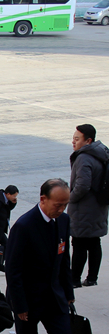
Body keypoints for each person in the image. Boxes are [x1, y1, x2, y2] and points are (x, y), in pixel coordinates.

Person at [5, 179, 74, 334]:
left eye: (65, 205)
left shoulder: (63, 221)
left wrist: (68, 294)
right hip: (27, 297)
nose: (62, 210)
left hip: (54, 294)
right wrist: (20, 305)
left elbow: (64, 258)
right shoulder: (24, 226)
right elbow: (12, 270)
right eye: (58, 204)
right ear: (43, 199)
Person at [68, 123, 108, 287]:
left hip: (83, 209)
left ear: (88, 140)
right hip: (98, 207)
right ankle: (92, 278)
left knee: (78, 245)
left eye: (77, 139)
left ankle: (75, 279)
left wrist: (70, 198)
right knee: (93, 243)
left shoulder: (84, 157)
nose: (73, 142)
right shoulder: (102, 153)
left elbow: (82, 185)